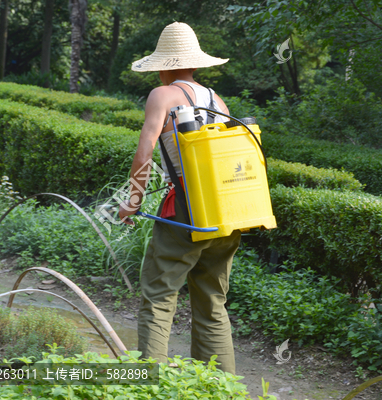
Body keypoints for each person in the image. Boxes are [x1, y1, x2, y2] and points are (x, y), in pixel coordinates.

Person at [118, 22, 241, 375]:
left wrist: (134, 200)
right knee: (213, 302)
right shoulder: (217, 99)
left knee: (158, 295)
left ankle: (151, 384)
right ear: (194, 62)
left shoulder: (163, 95)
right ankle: (221, 388)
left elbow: (144, 153)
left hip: (186, 209)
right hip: (226, 210)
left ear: (163, 64)